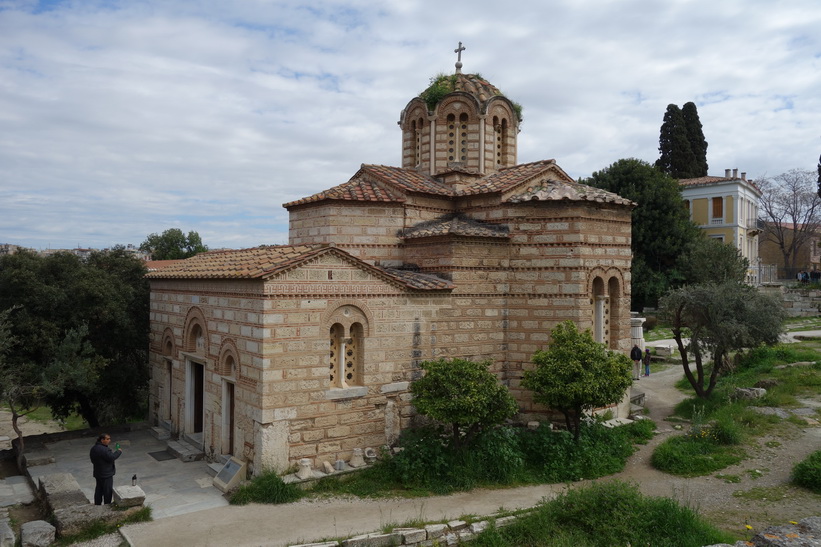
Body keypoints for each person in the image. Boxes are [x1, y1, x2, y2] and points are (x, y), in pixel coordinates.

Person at [90, 433, 122, 505]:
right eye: (107, 439)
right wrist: (119, 451)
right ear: (102, 440)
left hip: (98, 473)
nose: (109, 440)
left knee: (99, 489)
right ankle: (107, 505)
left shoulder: (93, 448)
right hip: (106, 474)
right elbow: (112, 457)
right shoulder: (104, 450)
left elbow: (92, 460)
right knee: (107, 491)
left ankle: (97, 504)